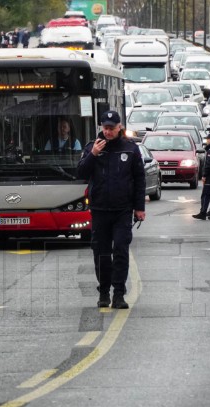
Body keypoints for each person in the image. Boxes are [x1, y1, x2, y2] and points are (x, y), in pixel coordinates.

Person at [77, 110, 146, 309]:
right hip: (99, 210)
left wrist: (139, 207)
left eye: (111, 128)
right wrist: (93, 155)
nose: (107, 132)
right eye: (104, 128)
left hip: (122, 210)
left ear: (119, 128)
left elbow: (139, 179)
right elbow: (80, 173)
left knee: (121, 250)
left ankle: (118, 294)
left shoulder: (130, 149)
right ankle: (104, 292)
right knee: (101, 253)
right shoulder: (93, 147)